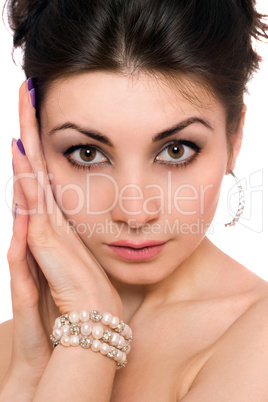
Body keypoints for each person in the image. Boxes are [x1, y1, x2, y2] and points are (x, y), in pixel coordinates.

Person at [0, 0, 268, 400]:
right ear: (36, 148)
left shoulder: (258, 343)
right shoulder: (16, 344)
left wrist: (90, 339)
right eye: (87, 153)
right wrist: (26, 373)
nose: (135, 212)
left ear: (234, 138)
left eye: (176, 151)